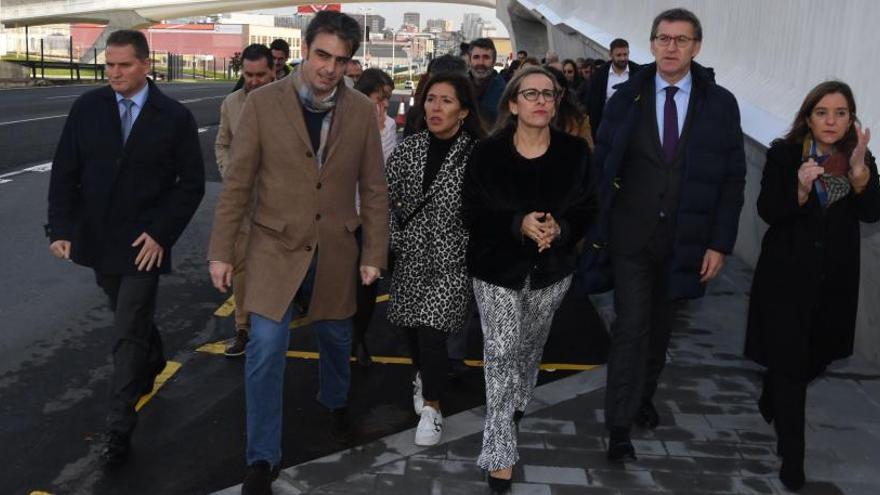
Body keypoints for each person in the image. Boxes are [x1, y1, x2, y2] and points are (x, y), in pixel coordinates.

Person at [207, 11, 389, 495]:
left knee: (334, 336)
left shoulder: (360, 113)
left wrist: (374, 252)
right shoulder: (263, 104)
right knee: (264, 348)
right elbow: (238, 184)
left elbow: (373, 189)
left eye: (341, 60)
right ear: (306, 49)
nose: (329, 68)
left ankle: (336, 401)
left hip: (334, 248)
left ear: (352, 63)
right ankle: (261, 459)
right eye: (322, 55)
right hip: (272, 246)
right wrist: (221, 252)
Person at [593, 8, 746, 463]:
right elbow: (602, 166)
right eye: (663, 38)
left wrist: (719, 243)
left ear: (696, 46)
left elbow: (733, 180)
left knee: (660, 331)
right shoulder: (626, 98)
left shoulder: (720, 104)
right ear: (652, 44)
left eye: (681, 40)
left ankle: (643, 395)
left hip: (687, 240)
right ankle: (618, 426)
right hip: (631, 239)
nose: (671, 47)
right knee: (631, 328)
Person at [46, 29, 204, 466]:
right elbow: (65, 172)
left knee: (126, 331)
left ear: (145, 64)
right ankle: (152, 357)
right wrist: (60, 228)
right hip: (97, 240)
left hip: (143, 244)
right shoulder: (87, 108)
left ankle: (118, 428)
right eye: (109, 65)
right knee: (128, 318)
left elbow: (190, 185)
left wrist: (161, 234)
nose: (114, 73)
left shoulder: (173, 116)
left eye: (124, 65)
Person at [462, 66, 597, 492]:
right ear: (514, 103)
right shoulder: (487, 153)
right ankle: (499, 450)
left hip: (551, 272)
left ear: (556, 104)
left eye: (549, 94)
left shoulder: (575, 153)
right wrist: (517, 223)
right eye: (531, 93)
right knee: (500, 351)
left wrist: (561, 229)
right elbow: (472, 211)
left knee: (529, 346)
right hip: (496, 268)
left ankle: (517, 401)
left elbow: (588, 207)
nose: (541, 100)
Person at [744, 81, 878, 491]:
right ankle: (793, 456)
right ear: (808, 116)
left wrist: (860, 177)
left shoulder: (858, 156)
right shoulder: (785, 153)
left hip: (834, 280)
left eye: (840, 113)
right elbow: (768, 209)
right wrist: (800, 189)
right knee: (789, 366)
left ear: (850, 118)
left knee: (814, 360)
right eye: (822, 112)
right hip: (785, 278)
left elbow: (872, 212)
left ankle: (771, 392)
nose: (831, 121)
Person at [386, 71, 485, 447]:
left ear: (463, 111)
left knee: (432, 332)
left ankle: (432, 406)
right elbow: (384, 194)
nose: (435, 107)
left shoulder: (476, 154)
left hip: (452, 261)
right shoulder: (409, 148)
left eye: (446, 100)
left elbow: (489, 207)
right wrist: (394, 237)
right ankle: (422, 376)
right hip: (410, 257)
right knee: (411, 330)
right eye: (430, 99)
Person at [214, 43, 276, 358]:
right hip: (243, 200)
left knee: (275, 267)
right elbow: (222, 143)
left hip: (280, 203)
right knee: (240, 266)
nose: (253, 81)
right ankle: (243, 328)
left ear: (273, 72)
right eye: (248, 75)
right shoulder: (231, 104)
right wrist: (232, 174)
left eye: (259, 75)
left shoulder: (289, 105)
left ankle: (273, 327)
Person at [350, 68, 397, 366]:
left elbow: (382, 171)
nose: (385, 106)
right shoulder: (342, 121)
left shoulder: (388, 126)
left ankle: (359, 339)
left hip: (372, 218)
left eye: (388, 99)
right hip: (342, 215)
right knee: (341, 284)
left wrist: (377, 129)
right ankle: (345, 338)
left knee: (368, 285)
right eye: (379, 99)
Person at [587, 38, 640, 140]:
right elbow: (593, 106)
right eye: (619, 55)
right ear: (610, 55)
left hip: (633, 131)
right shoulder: (599, 75)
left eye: (625, 54)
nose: (623, 58)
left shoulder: (638, 72)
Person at [546, 65, 593, 149]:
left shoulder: (579, 121)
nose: (543, 99)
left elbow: (588, 155)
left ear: (562, 93)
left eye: (553, 93)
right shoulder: (523, 120)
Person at [467, 38, 506, 128]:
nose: (481, 63)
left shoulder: (505, 93)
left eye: (486, 57)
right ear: (470, 60)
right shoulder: (458, 88)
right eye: (476, 57)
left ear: (494, 61)